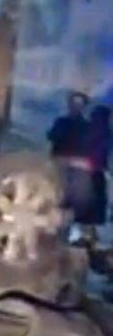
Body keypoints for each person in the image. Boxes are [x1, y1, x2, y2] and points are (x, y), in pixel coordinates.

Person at [48, 92, 94, 233]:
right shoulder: (61, 122)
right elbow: (52, 136)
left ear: (83, 106)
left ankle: (68, 232)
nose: (75, 106)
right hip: (59, 163)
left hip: (77, 167)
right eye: (73, 102)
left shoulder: (87, 126)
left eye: (79, 103)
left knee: (76, 201)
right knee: (54, 197)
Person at [87, 105, 112, 229]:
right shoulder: (106, 133)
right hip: (98, 172)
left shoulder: (89, 130)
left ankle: (80, 234)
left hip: (91, 171)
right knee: (101, 204)